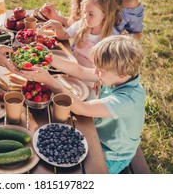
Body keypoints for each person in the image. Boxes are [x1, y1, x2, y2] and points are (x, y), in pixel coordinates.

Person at [22, 35, 146, 174]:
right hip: (95, 135)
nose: (95, 73)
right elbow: (79, 71)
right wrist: (48, 56)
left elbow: (82, 108)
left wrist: (50, 81)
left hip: (112, 154)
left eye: (100, 71)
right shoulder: (116, 75)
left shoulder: (128, 100)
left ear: (123, 74)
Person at [40, 0, 120, 68]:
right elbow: (63, 36)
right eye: (84, 12)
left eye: (91, 14)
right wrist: (58, 27)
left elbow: (111, 66)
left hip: (92, 76)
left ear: (104, 15)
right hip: (73, 66)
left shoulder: (112, 37)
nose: (85, 17)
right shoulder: (81, 24)